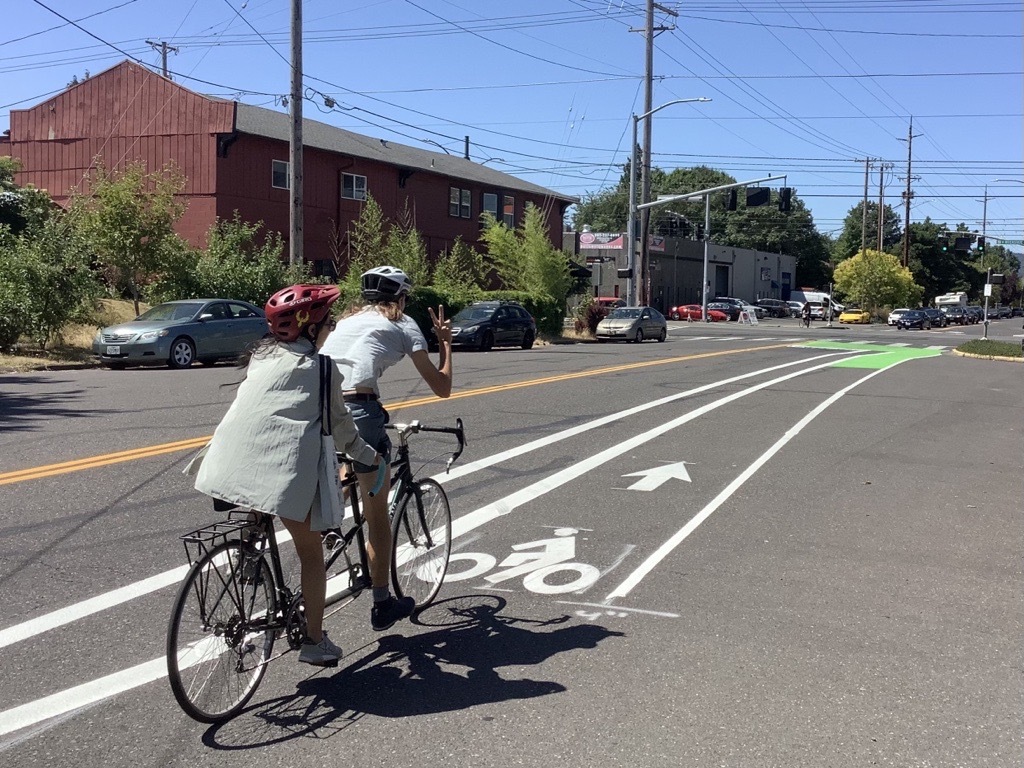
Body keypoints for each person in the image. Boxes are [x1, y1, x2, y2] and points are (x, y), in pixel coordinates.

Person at [187, 284, 381, 667]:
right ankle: (313, 641)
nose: (332, 326)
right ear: (312, 328)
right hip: (278, 473)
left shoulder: (261, 355)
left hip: (227, 463)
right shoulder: (323, 370)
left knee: (263, 495)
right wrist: (368, 457)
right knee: (309, 553)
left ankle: (251, 548)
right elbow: (341, 428)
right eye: (329, 321)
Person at [320, 265, 453, 632]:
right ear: (402, 297)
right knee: (377, 512)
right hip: (359, 408)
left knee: (347, 459)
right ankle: (382, 603)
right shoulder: (404, 324)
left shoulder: (345, 321)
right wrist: (445, 341)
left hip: (316, 405)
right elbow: (442, 387)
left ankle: (330, 520)